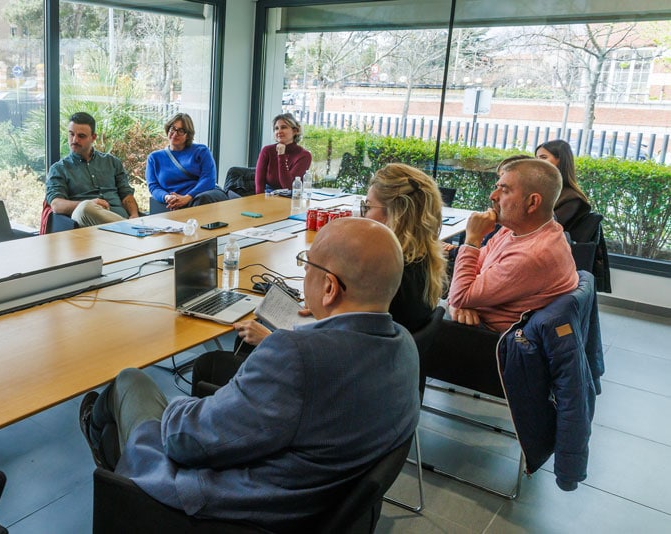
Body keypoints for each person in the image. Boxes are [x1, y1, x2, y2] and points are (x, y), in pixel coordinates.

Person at [79, 217, 419, 529]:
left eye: (308, 265)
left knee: (130, 381)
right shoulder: (404, 347)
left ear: (330, 288)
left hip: (226, 509)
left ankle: (111, 457)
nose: (305, 276)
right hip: (309, 503)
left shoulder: (297, 358)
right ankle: (111, 446)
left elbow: (184, 441)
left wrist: (178, 408)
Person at [213, 163, 445, 385]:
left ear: (397, 213)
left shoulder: (386, 276)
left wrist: (270, 339)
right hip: (378, 377)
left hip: (333, 382)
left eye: (368, 207)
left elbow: (337, 355)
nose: (362, 215)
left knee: (218, 360)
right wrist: (322, 310)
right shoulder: (421, 263)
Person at [449, 158, 578, 332]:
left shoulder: (532, 255)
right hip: (476, 313)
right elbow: (478, 263)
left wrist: (472, 238)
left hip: (487, 338)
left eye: (504, 190)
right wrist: (461, 298)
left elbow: (460, 295)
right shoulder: (516, 229)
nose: (493, 196)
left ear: (532, 202)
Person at [45, 112, 140, 227]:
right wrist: (90, 204)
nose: (74, 140)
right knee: (85, 207)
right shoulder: (59, 169)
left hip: (121, 216)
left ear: (93, 137)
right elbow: (56, 205)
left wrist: (134, 215)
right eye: (71, 134)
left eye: (81, 136)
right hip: (87, 224)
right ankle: (130, 229)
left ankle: (129, 227)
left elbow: (126, 195)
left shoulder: (112, 162)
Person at [146, 113, 227, 211]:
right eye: (173, 128)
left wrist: (188, 197)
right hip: (173, 200)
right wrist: (167, 197)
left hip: (201, 197)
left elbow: (209, 179)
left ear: (188, 135)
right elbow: (153, 187)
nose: (175, 134)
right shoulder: (154, 158)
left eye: (181, 131)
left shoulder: (201, 151)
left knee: (201, 200)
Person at [535, 139, 591, 232]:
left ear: (561, 161)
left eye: (543, 157)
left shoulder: (572, 199)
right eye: (536, 158)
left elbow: (547, 230)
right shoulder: (537, 190)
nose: (537, 162)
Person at [254, 113, 312, 194]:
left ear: (295, 131)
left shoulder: (304, 155)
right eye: (276, 128)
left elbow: (288, 186)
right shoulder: (267, 150)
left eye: (283, 127)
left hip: (290, 198)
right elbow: (259, 185)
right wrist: (260, 202)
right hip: (268, 196)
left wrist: (281, 155)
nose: (279, 131)